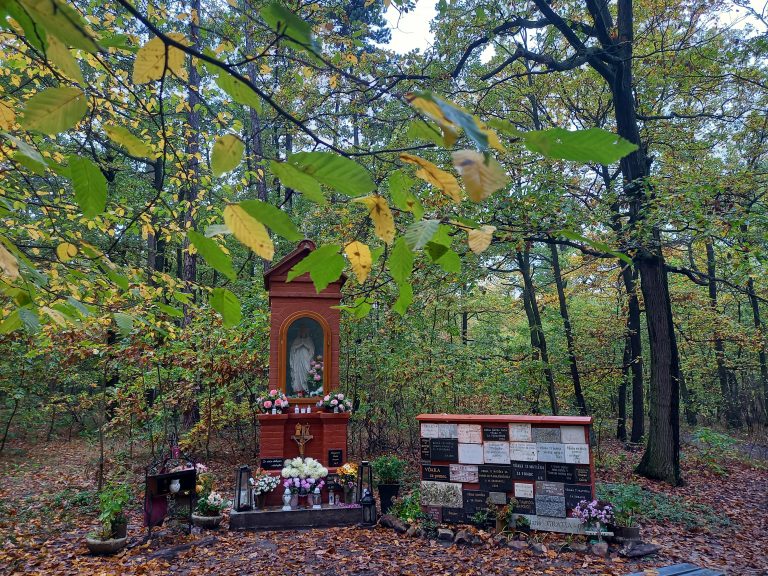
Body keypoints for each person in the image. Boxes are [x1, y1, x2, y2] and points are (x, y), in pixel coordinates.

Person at [289, 325, 314, 395]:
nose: (303, 333)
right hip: (297, 361)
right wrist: (300, 344)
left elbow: (312, 350)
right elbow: (293, 349)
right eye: (302, 332)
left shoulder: (309, 340)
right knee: (297, 374)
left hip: (306, 361)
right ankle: (298, 390)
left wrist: (305, 344)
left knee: (305, 375)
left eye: (304, 332)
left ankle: (306, 390)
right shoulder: (297, 340)